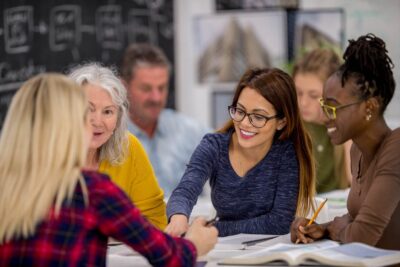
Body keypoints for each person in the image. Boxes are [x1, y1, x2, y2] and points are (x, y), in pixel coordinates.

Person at [0, 73, 218, 266]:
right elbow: (169, 257)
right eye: (84, 112)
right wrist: (195, 244)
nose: (95, 121)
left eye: (107, 112)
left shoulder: (7, 185)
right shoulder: (91, 190)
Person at [165, 68, 316, 237]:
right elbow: (185, 190)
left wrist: (215, 228)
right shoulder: (214, 146)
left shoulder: (286, 153)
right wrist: (178, 217)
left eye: (258, 117)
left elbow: (279, 222)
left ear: (281, 122)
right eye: (240, 111)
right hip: (224, 250)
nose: (244, 123)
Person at [290, 34, 400, 250]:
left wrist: (337, 229)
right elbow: (356, 218)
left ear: (369, 107)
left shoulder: (396, 148)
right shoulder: (357, 150)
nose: (326, 115)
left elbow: (362, 236)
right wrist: (321, 227)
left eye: (332, 106)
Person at [68, 63, 167, 229]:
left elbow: (155, 220)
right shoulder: (45, 154)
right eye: (88, 109)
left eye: (108, 112)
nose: (97, 122)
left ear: (118, 119)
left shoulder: (129, 147)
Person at [120, 43, 210, 197]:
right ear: (123, 87)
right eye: (146, 89)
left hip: (191, 219)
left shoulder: (189, 129)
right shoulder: (109, 137)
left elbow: (234, 153)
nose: (156, 98)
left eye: (162, 88)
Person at [293, 48, 352, 193]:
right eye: (298, 93)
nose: (303, 103)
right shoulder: (290, 126)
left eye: (313, 95)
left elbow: (357, 182)